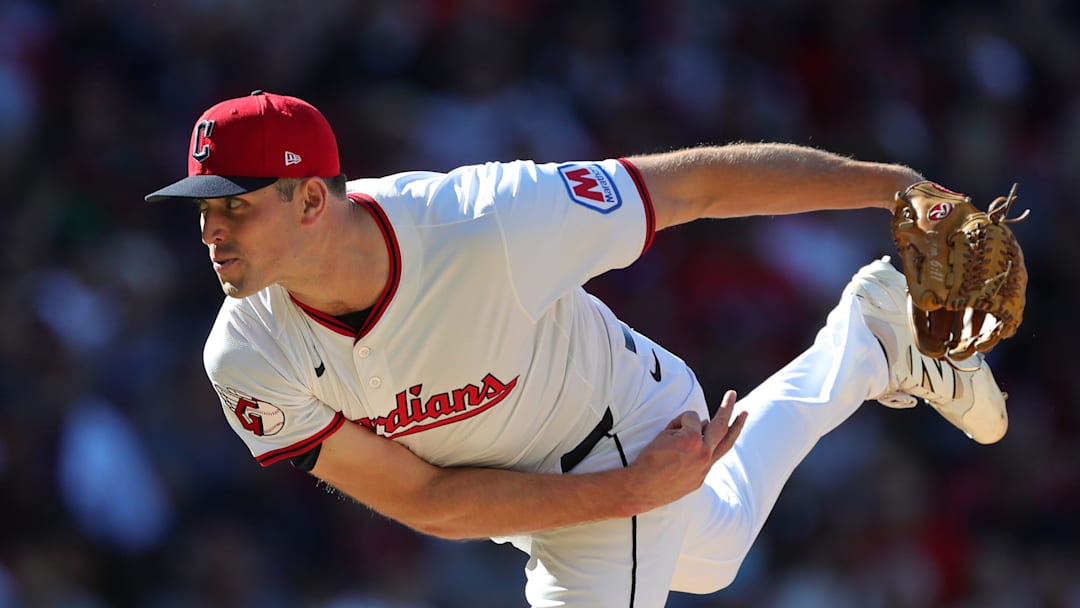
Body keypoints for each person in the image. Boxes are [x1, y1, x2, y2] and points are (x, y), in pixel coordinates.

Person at [146, 90, 1008, 607]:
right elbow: (428, 501)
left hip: (621, 427)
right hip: (560, 492)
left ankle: (869, 343)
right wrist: (634, 495)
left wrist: (899, 191)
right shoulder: (248, 355)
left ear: (307, 200)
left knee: (669, 546)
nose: (212, 230)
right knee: (713, 554)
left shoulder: (486, 222)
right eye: (203, 208)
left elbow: (697, 185)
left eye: (235, 206)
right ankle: (871, 339)